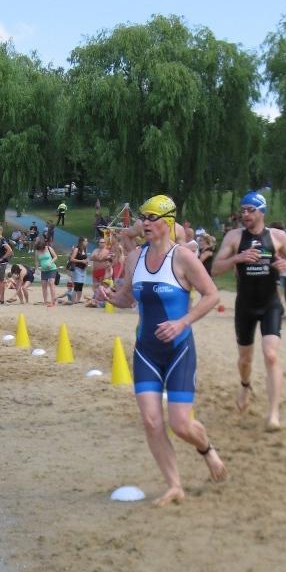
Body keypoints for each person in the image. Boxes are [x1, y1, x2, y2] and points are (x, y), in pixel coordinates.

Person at [106, 195, 226, 506]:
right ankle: (174, 485)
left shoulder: (183, 257)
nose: (144, 223)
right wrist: (112, 297)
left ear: (167, 222)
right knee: (151, 421)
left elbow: (212, 295)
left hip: (178, 351)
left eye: (151, 217)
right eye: (143, 217)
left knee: (180, 424)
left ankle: (207, 450)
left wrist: (183, 322)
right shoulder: (135, 257)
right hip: (146, 351)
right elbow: (127, 298)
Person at [211, 191, 286, 432]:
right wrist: (238, 258)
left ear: (262, 212)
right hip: (245, 306)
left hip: (270, 304)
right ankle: (245, 384)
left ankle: (273, 414)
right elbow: (215, 268)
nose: (246, 214)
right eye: (243, 210)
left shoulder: (278, 236)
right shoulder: (234, 237)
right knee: (245, 360)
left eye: (251, 210)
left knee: (270, 355)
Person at [34, 236, 58, 307]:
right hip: (44, 270)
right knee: (44, 285)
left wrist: (51, 262)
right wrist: (37, 269)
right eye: (39, 249)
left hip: (52, 269)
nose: (41, 250)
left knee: (51, 283)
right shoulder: (37, 251)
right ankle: (45, 301)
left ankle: (53, 301)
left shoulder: (49, 248)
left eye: (42, 248)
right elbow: (36, 261)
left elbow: (55, 257)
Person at [69, 237, 89, 305]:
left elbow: (86, 258)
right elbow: (72, 259)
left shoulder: (85, 249)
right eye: (86, 241)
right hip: (77, 269)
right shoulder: (76, 249)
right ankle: (73, 300)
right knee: (77, 284)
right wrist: (81, 261)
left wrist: (86, 262)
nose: (87, 243)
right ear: (82, 242)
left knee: (81, 285)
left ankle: (77, 300)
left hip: (83, 269)